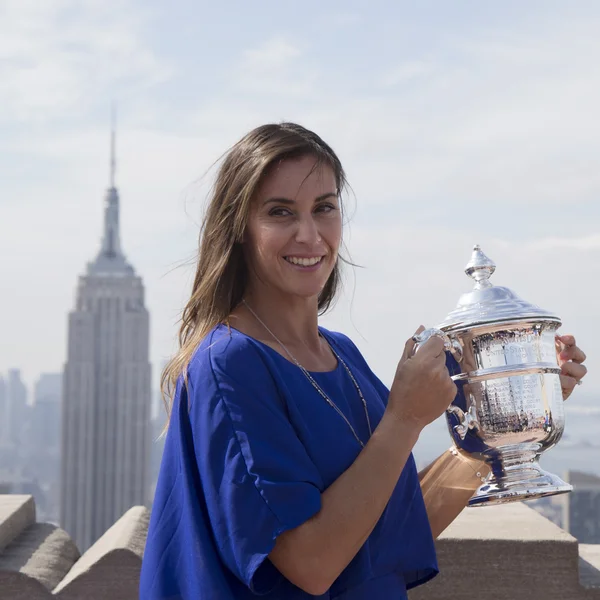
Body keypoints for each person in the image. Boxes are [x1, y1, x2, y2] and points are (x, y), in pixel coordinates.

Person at [139, 122, 588, 599]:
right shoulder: (229, 365)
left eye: (324, 209)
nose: (309, 234)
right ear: (240, 230)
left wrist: (507, 413)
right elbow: (311, 564)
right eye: (280, 212)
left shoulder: (341, 354)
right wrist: (404, 419)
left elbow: (396, 524)